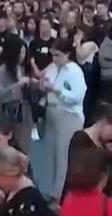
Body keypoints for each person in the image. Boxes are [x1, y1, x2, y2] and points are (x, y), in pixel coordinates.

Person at [41, 38, 87, 202]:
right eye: (53, 55)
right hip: (52, 112)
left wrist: (56, 89)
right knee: (52, 154)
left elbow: (77, 96)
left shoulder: (75, 71)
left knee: (63, 156)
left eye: (58, 55)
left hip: (69, 115)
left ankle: (61, 195)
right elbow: (43, 82)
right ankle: (53, 191)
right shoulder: (52, 68)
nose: (54, 59)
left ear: (67, 54)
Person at [0, 37, 35, 155]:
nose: (23, 55)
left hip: (24, 113)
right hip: (9, 113)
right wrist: (17, 85)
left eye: (24, 52)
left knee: (23, 148)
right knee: (7, 150)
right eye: (21, 52)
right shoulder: (3, 70)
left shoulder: (23, 68)